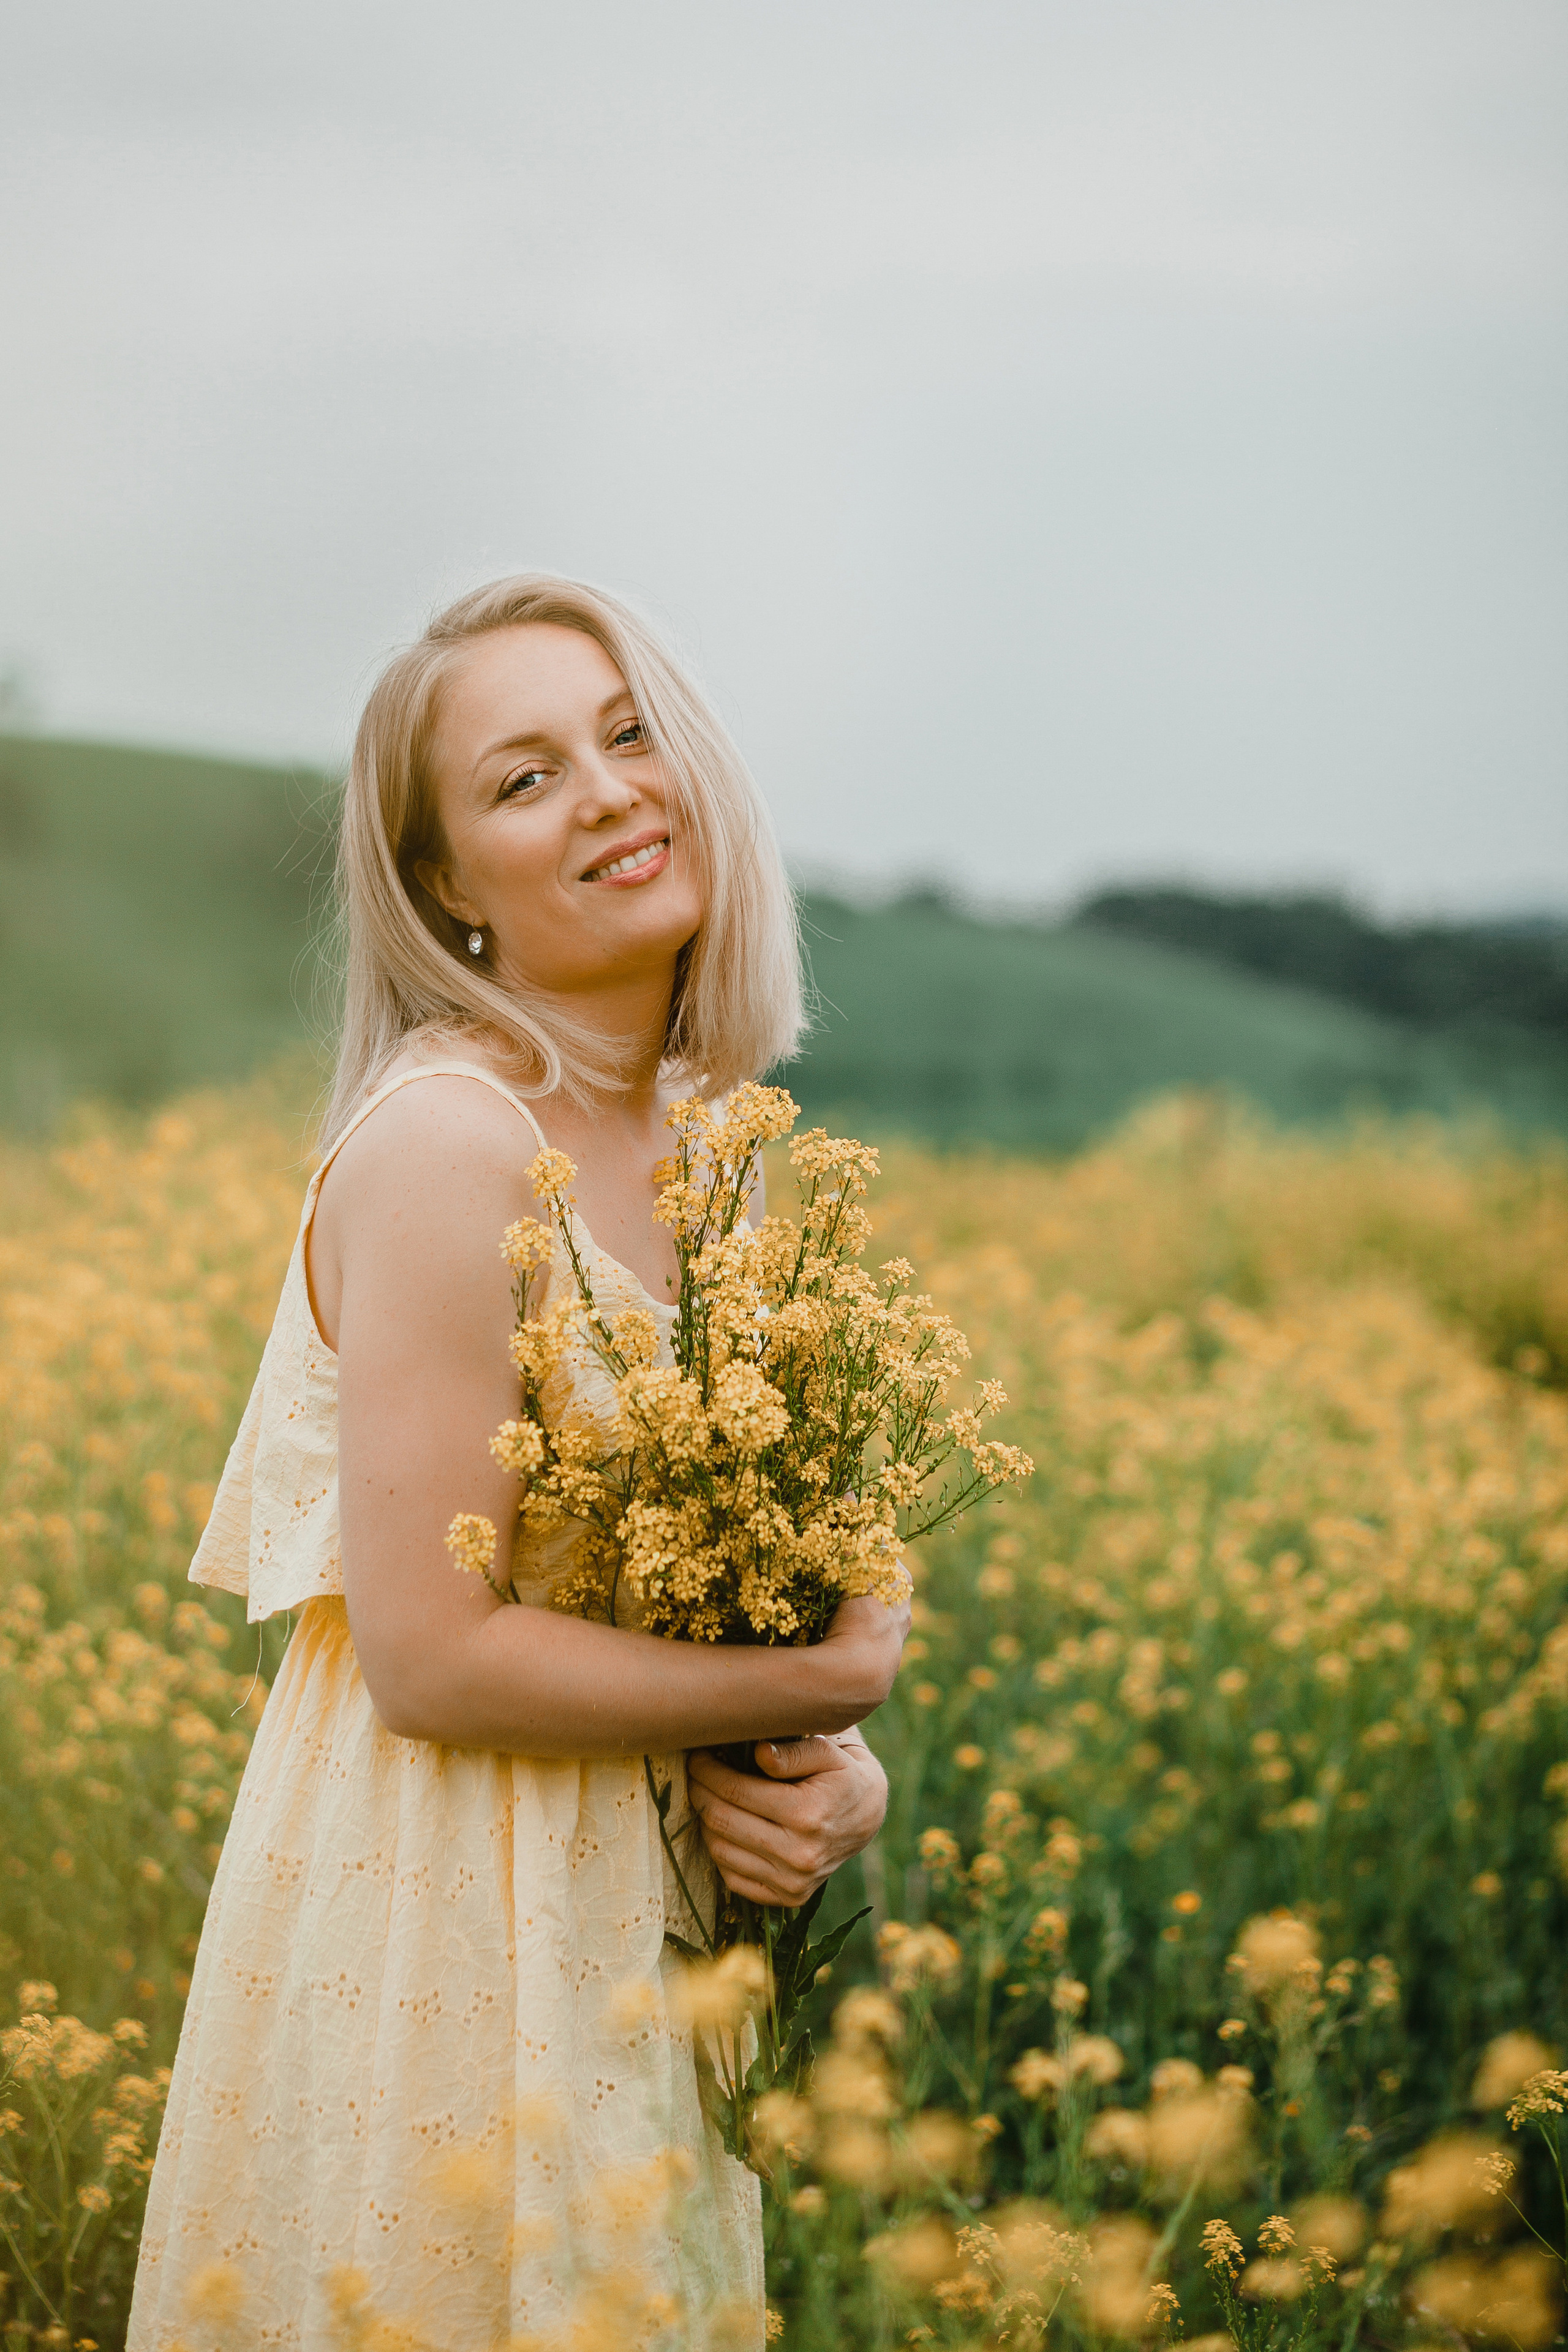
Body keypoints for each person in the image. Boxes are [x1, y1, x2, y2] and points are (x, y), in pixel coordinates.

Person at [127, 575, 907, 2351]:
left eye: (630, 734)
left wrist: (829, 1773)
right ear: (447, 894)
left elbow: (751, 1581)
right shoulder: (448, 1148)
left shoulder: (721, 1147)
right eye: (526, 777)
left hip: (647, 1927)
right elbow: (430, 1653)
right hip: (449, 1918)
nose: (614, 789)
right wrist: (837, 1667)